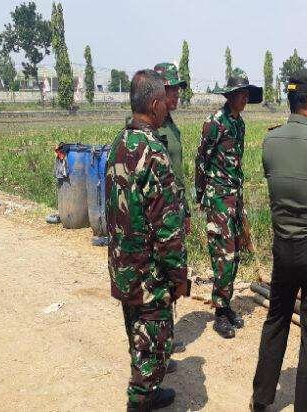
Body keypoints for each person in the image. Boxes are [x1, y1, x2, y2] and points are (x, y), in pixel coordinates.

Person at [252, 68, 307, 411]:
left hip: (284, 247)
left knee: (277, 319)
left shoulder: (270, 141)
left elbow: (273, 178)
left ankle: (262, 399)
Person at [105, 69, 189, 411]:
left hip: (123, 265)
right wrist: (178, 275)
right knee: (154, 344)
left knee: (136, 334)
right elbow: (167, 229)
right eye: (164, 102)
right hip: (148, 273)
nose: (167, 107)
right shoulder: (153, 151)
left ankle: (149, 393)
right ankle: (139, 400)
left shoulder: (119, 143)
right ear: (155, 105)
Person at [195, 68, 262, 339]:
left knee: (235, 254)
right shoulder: (215, 122)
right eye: (240, 94)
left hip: (235, 197)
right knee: (223, 256)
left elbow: (237, 164)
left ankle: (226, 305)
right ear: (230, 96)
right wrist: (201, 195)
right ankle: (220, 313)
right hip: (218, 198)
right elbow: (201, 160)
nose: (244, 99)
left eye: (246, 94)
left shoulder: (239, 124)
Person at [153, 62, 191, 357]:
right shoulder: (151, 128)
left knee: (174, 271)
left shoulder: (170, 125)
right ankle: (157, 343)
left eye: (178, 90)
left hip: (175, 208)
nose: (176, 95)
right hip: (160, 211)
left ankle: (166, 335)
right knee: (160, 273)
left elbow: (178, 173)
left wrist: (186, 210)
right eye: (171, 90)